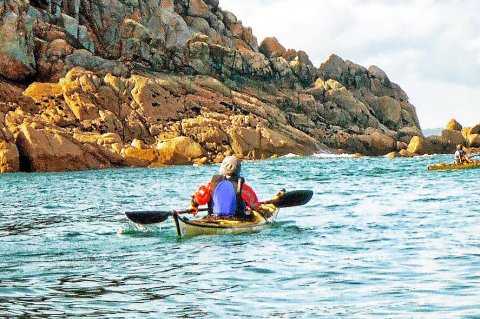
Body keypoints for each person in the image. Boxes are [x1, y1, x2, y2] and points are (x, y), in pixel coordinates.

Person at [189, 156, 261, 221]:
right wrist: (254, 209)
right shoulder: (243, 187)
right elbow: (255, 205)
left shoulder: (210, 185)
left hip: (213, 218)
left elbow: (201, 197)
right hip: (237, 219)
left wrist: (194, 205)